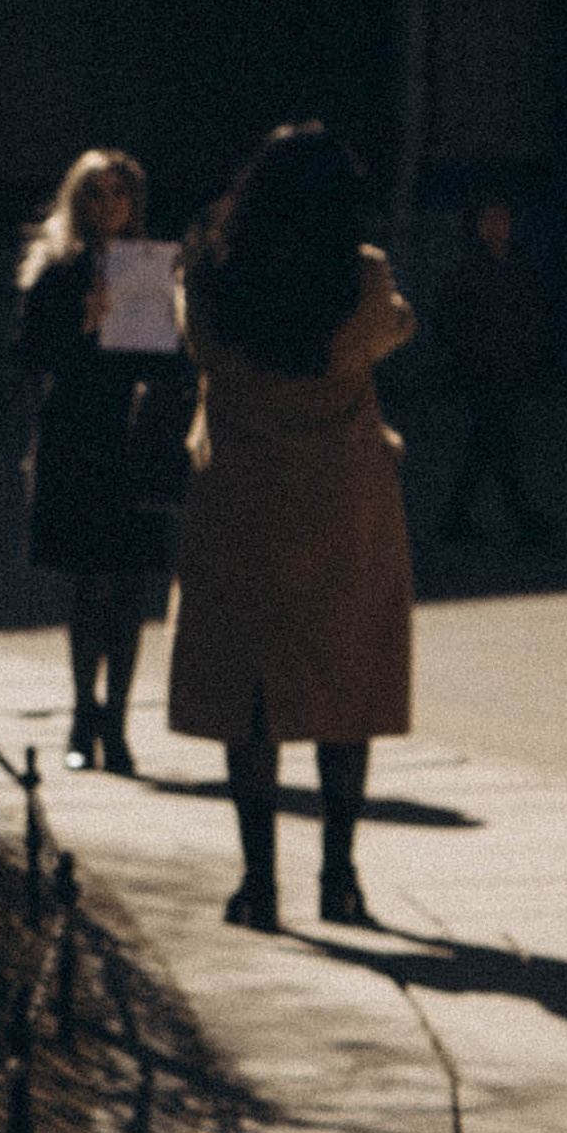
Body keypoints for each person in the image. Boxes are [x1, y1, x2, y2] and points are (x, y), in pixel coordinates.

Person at [167, 123, 415, 930]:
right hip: (344, 506)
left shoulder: (212, 279)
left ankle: (259, 884)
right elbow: (383, 331)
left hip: (242, 504)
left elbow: (194, 343)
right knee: (347, 686)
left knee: (250, 696)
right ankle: (339, 879)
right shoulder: (362, 277)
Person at [14, 147, 180, 773]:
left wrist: (170, 322)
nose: (108, 204)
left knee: (132, 586)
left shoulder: (149, 267)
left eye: (118, 193)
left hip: (137, 438)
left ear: (134, 202)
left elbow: (171, 365)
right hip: (79, 436)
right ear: (77, 200)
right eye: (95, 192)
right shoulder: (59, 268)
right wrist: (81, 326)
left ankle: (118, 720)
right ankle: (84, 717)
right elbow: (28, 355)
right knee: (91, 583)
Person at [429, 189, 555, 546]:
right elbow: (447, 320)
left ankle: (461, 517)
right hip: (481, 370)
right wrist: (463, 358)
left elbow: (535, 311)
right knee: (494, 440)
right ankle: (518, 518)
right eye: (490, 219)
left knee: (490, 442)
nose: (498, 225)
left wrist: (531, 353)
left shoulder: (520, 264)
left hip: (511, 367)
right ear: (479, 225)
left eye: (503, 218)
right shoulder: (469, 269)